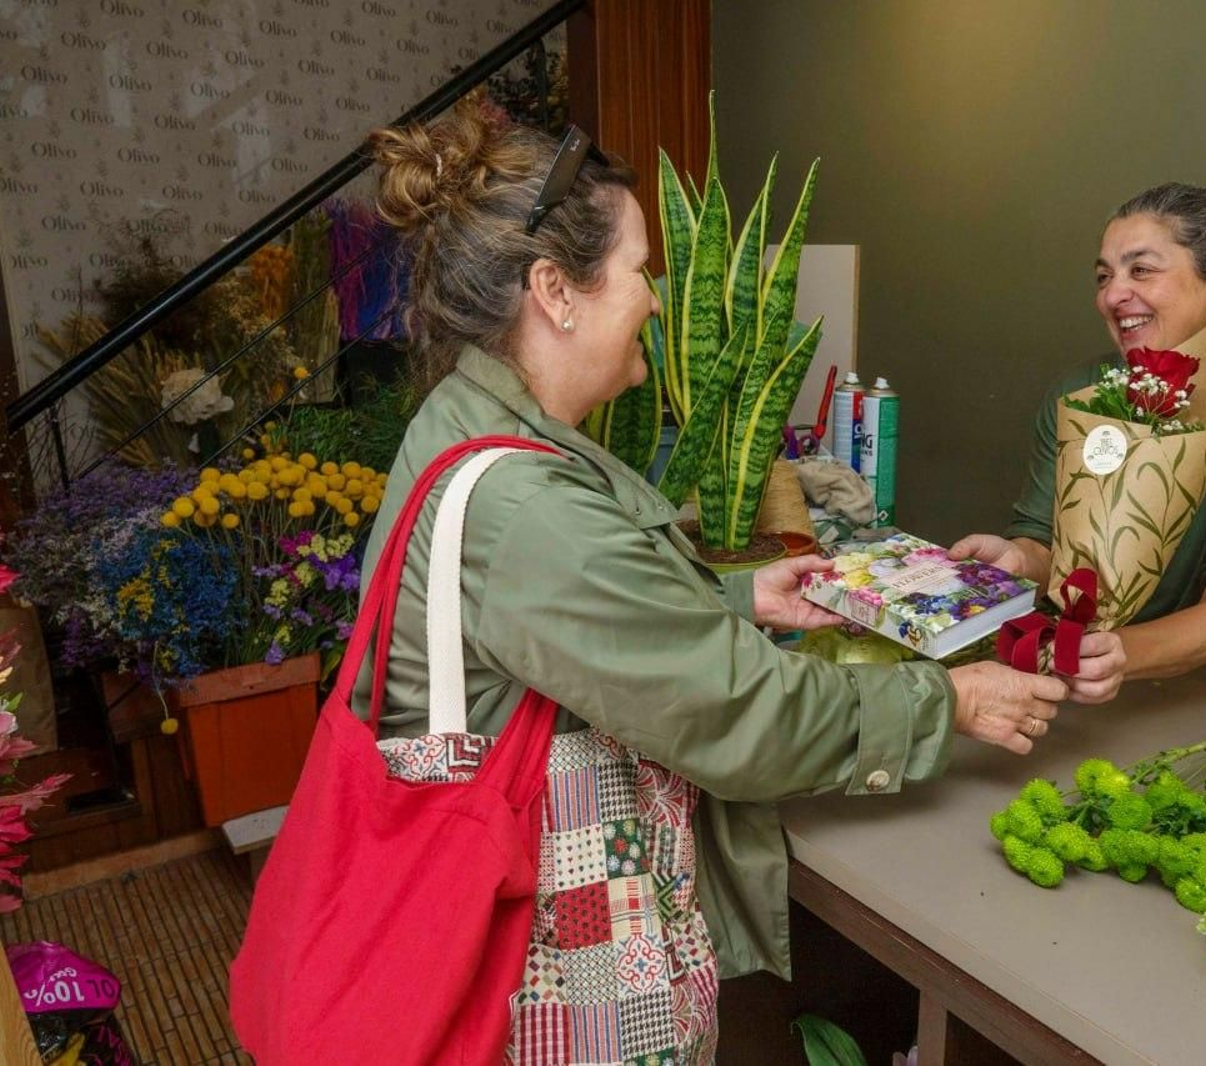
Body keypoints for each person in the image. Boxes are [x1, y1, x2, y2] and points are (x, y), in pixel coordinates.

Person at [356, 103, 1067, 1062]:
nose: (656, 299)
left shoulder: (470, 421)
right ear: (555, 292)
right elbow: (739, 714)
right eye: (638, 270)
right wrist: (950, 699)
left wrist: (738, 598)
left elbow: (557, 624)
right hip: (544, 958)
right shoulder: (528, 505)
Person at [952, 182, 1206, 699]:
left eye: (1141, 270)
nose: (1111, 295)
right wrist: (1016, 561)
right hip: (1082, 672)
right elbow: (1043, 540)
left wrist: (1121, 653)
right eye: (1104, 276)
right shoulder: (1077, 395)